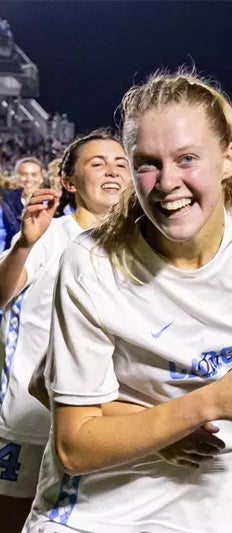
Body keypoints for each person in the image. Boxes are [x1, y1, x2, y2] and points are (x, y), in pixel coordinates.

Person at [23, 70, 232, 533]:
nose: (167, 183)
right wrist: (204, 406)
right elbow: (73, 446)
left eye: (187, 158)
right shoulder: (93, 263)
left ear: (228, 159)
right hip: (96, 520)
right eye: (147, 163)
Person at [0, 130, 130, 530]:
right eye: (98, 163)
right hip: (29, 425)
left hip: (98, 429)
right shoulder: (49, 235)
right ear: (69, 182)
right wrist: (23, 245)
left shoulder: (141, 246)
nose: (112, 171)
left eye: (121, 163)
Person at [0, 158, 45, 250]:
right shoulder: (6, 203)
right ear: (17, 177)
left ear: (41, 178)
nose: (29, 179)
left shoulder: (53, 205)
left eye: (34, 175)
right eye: (24, 174)